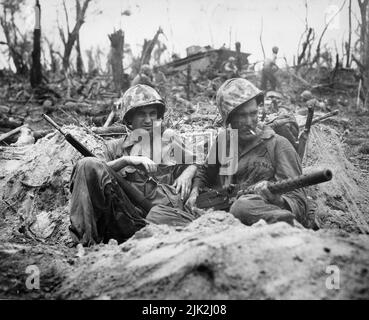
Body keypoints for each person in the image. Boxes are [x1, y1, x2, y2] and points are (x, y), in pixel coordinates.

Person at [69, 84, 197, 246]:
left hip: (159, 220)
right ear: (129, 119)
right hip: (123, 220)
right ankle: (84, 243)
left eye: (153, 114)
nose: (149, 120)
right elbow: (92, 170)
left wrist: (187, 173)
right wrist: (126, 160)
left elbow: (195, 163)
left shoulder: (168, 142)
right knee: (85, 164)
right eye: (142, 114)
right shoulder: (114, 147)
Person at [186, 78, 307, 226]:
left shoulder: (278, 145)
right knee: (160, 213)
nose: (249, 121)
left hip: (259, 214)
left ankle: (289, 226)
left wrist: (277, 200)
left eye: (253, 114)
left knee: (241, 207)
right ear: (229, 118)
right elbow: (205, 171)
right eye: (242, 116)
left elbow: (299, 202)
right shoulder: (224, 140)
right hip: (220, 215)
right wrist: (194, 191)